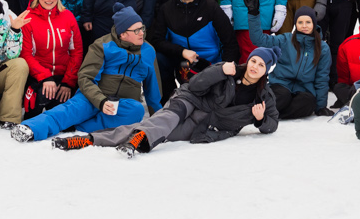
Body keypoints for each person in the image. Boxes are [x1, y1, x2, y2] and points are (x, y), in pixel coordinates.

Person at [69, 53, 279, 155]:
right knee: (167, 119)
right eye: (253, 60)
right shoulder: (228, 69)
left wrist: (261, 120)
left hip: (205, 124)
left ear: (266, 71)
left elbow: (273, 124)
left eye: (261, 65)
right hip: (190, 99)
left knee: (161, 129)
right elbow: (195, 85)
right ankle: (136, 141)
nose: (254, 66)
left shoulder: (264, 96)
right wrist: (220, 71)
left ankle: (90, 140)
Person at [10, 5, 160, 144]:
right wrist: (100, 101)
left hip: (121, 104)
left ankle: (78, 126)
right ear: (123, 34)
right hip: (93, 96)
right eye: (136, 30)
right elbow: (86, 77)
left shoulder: (148, 51)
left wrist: (159, 120)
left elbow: (153, 89)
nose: (142, 33)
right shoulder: (103, 45)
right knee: (70, 110)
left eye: (142, 28)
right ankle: (31, 128)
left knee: (136, 110)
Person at [153, 0, 236, 95]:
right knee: (158, 59)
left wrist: (223, 70)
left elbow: (230, 42)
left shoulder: (211, 7)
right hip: (182, 63)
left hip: (210, 63)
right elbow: (157, 40)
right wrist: (182, 51)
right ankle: (168, 99)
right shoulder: (167, 9)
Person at [19, 0, 84, 114]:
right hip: (38, 77)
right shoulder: (27, 18)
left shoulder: (68, 17)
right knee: (34, 111)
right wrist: (45, 77)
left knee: (65, 118)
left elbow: (77, 52)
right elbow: (26, 54)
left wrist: (68, 82)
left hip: (63, 77)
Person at [265, 8, 333, 119]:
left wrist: (321, 107)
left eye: (308, 22)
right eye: (300, 22)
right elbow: (260, 40)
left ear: (314, 23)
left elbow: (322, 77)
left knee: (309, 102)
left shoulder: (322, 48)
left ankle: (275, 114)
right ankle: (263, 111)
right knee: (283, 96)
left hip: (303, 89)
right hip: (281, 85)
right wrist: (254, 15)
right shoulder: (286, 39)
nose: (304, 26)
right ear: (295, 24)